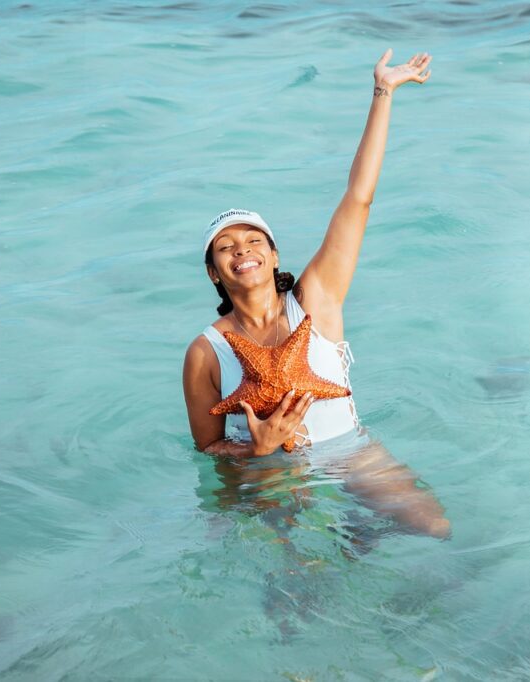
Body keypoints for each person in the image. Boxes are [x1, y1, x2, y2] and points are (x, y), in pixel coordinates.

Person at [182, 49, 450, 539]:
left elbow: (359, 198)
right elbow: (208, 447)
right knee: (296, 585)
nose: (242, 251)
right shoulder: (206, 351)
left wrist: (383, 92)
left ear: (275, 254)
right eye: (226, 248)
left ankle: (359, 530)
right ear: (213, 273)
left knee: (433, 526)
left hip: (348, 449)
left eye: (254, 240)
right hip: (266, 471)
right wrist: (255, 451)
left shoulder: (316, 299)